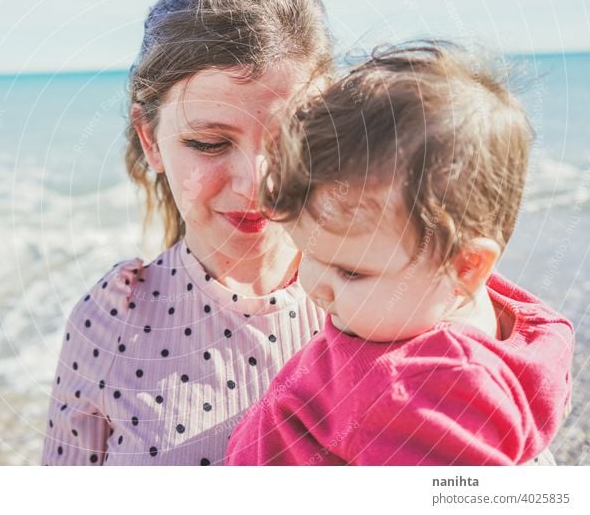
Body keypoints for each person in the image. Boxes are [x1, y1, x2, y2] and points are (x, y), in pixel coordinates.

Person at [41, 0, 335, 465]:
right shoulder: (110, 322)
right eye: (209, 143)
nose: (258, 183)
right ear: (150, 140)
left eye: (291, 136)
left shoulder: (402, 289)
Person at [225, 42, 574, 465]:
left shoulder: (428, 390)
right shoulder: (513, 320)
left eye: (351, 272)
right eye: (307, 253)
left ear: (468, 266)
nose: (312, 286)